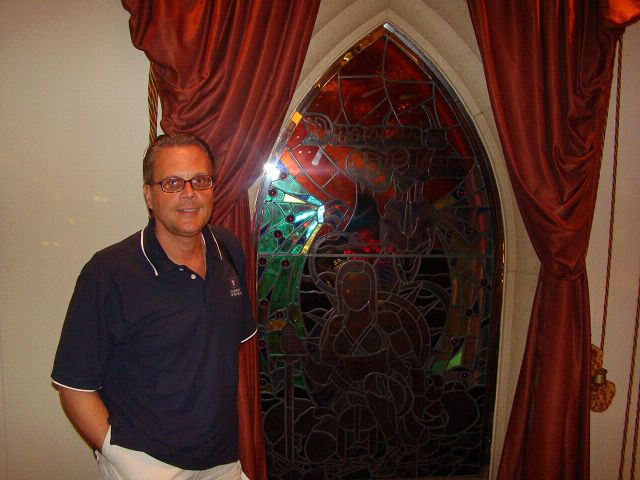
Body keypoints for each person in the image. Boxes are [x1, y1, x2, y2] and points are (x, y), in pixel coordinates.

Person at [51, 134, 256, 480]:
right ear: (149, 195)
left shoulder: (228, 249)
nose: (189, 193)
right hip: (146, 461)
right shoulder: (108, 273)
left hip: (221, 460)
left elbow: (227, 350)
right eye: (172, 183)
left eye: (200, 180)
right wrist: (122, 458)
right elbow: (73, 387)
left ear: (212, 188)